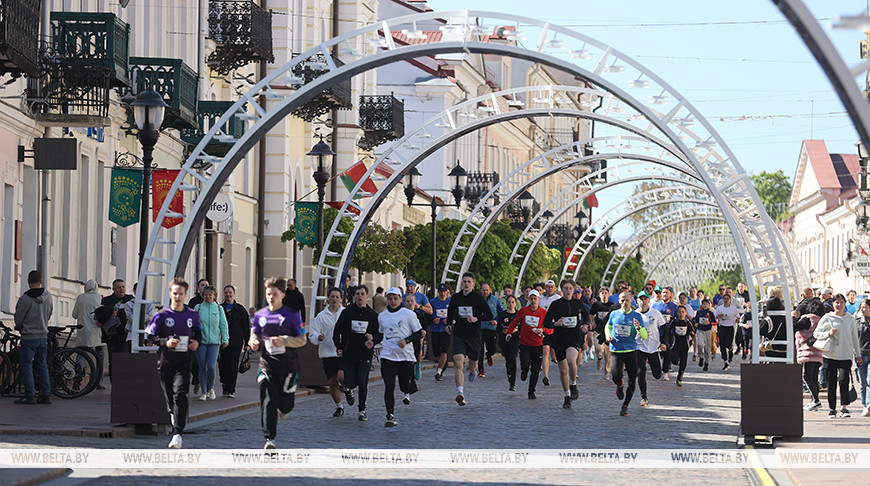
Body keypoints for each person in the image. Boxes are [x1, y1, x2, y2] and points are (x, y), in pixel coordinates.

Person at [250, 277, 307, 449]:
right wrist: (253, 342)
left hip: (288, 365)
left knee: (285, 404)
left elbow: (302, 339)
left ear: (282, 295)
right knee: (267, 400)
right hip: (267, 364)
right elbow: (254, 334)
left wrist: (284, 340)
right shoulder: (260, 315)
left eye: (274, 294)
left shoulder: (292, 315)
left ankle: (284, 409)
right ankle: (270, 439)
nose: (271, 297)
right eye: (268, 294)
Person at [145, 277, 201, 448]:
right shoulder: (162, 316)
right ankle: (172, 413)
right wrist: (165, 343)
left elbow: (198, 333)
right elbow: (149, 336)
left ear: (185, 295)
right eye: (175, 293)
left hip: (184, 362)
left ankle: (177, 434)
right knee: (170, 397)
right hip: (166, 363)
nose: (177, 297)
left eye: (181, 294)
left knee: (180, 394)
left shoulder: (192, 315)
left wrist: (196, 342)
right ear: (170, 294)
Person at [334, 285, 381, 421]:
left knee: (362, 379)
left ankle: (362, 409)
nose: (360, 296)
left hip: (365, 354)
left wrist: (373, 339)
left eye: (362, 294)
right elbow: (337, 331)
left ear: (367, 296)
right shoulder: (347, 313)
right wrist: (339, 346)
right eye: (357, 294)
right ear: (354, 296)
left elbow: (379, 333)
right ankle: (348, 390)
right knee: (349, 381)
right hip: (349, 353)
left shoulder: (372, 315)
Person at [445, 272, 494, 406]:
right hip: (459, 334)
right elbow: (450, 312)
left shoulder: (478, 298)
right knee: (458, 362)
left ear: (473, 284)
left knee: (473, 364)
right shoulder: (456, 297)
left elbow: (489, 315)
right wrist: (449, 324)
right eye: (464, 281)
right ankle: (460, 393)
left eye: (468, 282)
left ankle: (473, 370)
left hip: (474, 335)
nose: (466, 284)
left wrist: (476, 318)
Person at [814, 293, 863, 419]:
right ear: (833, 304)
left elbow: (854, 338)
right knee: (831, 383)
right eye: (837, 302)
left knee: (843, 380)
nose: (839, 305)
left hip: (846, 355)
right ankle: (832, 409)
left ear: (845, 304)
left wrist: (858, 354)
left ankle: (844, 407)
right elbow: (816, 333)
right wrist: (828, 333)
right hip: (830, 355)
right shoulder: (827, 317)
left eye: (841, 302)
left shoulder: (850, 319)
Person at [379, 287, 422, 427]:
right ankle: (390, 416)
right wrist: (371, 341)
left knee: (405, 386)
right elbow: (380, 334)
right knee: (389, 386)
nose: (392, 301)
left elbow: (418, 333)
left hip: (405, 357)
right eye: (390, 299)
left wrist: (406, 341)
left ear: (400, 299)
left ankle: (408, 390)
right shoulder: (382, 316)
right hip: (387, 356)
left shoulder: (408, 314)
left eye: (395, 298)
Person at [543, 279, 589, 408]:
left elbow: (586, 317)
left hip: (574, 337)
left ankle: (573, 384)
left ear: (573, 289)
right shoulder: (555, 304)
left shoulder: (578, 303)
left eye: (570, 288)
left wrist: (586, 325)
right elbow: (546, 322)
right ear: (561, 290)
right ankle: (566, 395)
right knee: (563, 371)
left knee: (571, 360)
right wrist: (555, 324)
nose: (568, 291)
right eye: (565, 288)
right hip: (559, 339)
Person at [605, 291, 648, 416]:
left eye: (627, 300)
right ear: (619, 301)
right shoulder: (614, 314)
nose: (624, 303)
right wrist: (608, 336)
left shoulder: (636, 316)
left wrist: (639, 328)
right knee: (615, 375)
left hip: (631, 351)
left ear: (631, 301)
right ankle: (619, 384)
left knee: (632, 381)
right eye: (622, 300)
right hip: (616, 349)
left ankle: (625, 405)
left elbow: (644, 336)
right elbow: (608, 326)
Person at [13, 270, 53, 405]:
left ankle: (29, 395)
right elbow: (49, 313)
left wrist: (20, 326)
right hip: (43, 335)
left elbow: (19, 317)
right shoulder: (48, 297)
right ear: (40, 281)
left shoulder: (25, 298)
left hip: (29, 336)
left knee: (26, 364)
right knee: (42, 364)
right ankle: (45, 394)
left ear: (28, 282)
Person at [505, 290, 550, 399]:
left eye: (535, 299)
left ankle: (531, 391)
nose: (533, 301)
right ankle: (524, 372)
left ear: (539, 299)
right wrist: (509, 333)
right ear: (528, 299)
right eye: (531, 298)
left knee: (535, 370)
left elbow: (551, 329)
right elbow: (514, 322)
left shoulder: (544, 313)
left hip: (538, 345)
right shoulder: (523, 311)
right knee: (525, 365)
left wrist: (543, 330)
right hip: (525, 344)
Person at [310, 287, 347, 417]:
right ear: (328, 299)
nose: (334, 299)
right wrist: (318, 337)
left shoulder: (345, 313)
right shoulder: (321, 316)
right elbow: (313, 333)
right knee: (332, 382)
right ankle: (339, 406)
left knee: (342, 377)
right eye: (332, 297)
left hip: (342, 351)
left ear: (341, 299)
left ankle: (347, 389)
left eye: (337, 297)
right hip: (327, 352)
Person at [193, 286, 229, 401]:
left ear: (214, 296)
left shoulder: (219, 309)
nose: (208, 296)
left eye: (210, 295)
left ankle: (211, 388)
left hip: (214, 342)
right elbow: (193, 324)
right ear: (202, 295)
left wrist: (225, 339)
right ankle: (204, 392)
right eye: (205, 294)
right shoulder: (198, 308)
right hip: (201, 342)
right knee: (202, 366)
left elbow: (223, 325)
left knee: (212, 367)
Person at [72, 279, 105, 390]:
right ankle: (99, 381)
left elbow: (74, 315)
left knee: (80, 354)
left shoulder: (81, 298)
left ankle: (77, 378)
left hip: (83, 331)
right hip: (97, 331)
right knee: (99, 356)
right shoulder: (99, 297)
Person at [795, 298, 826, 411]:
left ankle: (816, 400)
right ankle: (814, 401)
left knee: (806, 377)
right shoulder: (822, 320)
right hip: (818, 352)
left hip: (808, 352)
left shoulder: (807, 320)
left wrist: (794, 316)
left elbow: (794, 327)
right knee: (813, 377)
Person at [219, 285, 250, 398]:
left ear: (234, 294)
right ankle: (225, 383)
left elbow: (246, 327)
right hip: (222, 341)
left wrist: (247, 343)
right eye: (226, 292)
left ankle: (231, 389)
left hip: (236, 341)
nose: (228, 295)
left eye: (230, 292)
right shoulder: (219, 308)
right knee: (223, 364)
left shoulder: (240, 310)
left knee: (233, 365)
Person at [635, 291, 664, 407]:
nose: (643, 302)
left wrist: (664, 342)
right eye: (640, 299)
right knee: (641, 371)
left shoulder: (655, 313)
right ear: (637, 301)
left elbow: (664, 328)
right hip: (639, 346)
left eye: (645, 299)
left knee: (657, 374)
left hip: (653, 347)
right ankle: (644, 397)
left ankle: (657, 369)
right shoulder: (634, 314)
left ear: (648, 300)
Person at [404, 279, 432, 381]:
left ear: (415, 287)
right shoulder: (403, 297)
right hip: (406, 326)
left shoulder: (422, 297)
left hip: (419, 323)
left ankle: (418, 365)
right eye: (407, 286)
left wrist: (420, 307)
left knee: (418, 347)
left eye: (411, 286)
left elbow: (430, 310)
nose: (409, 288)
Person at [590, 287, 617, 379]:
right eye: (602, 293)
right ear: (599, 295)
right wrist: (592, 322)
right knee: (598, 348)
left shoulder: (612, 306)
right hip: (598, 330)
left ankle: (607, 372)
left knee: (607, 354)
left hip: (608, 331)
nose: (604, 295)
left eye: (606, 293)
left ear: (609, 295)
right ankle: (599, 358)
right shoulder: (596, 305)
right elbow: (591, 315)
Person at [652, 286, 678, 380]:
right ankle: (657, 369)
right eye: (663, 292)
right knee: (657, 352)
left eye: (667, 292)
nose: (664, 294)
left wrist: (673, 320)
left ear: (670, 294)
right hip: (657, 332)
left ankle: (665, 371)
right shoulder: (655, 305)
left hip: (668, 333)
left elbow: (678, 319)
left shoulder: (674, 307)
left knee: (667, 352)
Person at [478, 282, 501, 378]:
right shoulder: (477, 299)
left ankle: (489, 354)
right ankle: (481, 369)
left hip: (491, 327)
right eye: (483, 290)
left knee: (492, 348)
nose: (485, 292)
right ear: (481, 290)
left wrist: (496, 321)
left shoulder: (495, 300)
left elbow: (500, 313)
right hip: (479, 327)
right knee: (479, 349)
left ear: (490, 290)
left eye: (487, 290)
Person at [497, 294, 520, 391]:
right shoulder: (503, 314)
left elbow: (521, 327)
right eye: (509, 302)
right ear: (506, 303)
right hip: (504, 337)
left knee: (512, 357)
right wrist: (503, 323)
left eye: (512, 302)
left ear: (515, 303)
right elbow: (498, 328)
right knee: (507, 358)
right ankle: (509, 374)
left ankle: (513, 383)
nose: (510, 304)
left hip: (514, 337)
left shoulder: (518, 314)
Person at [429, 283, 452, 381]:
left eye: (444, 291)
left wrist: (449, 320)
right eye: (441, 292)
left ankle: (439, 372)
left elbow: (455, 314)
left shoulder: (450, 302)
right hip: (435, 330)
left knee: (444, 350)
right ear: (438, 292)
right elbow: (429, 314)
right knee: (436, 352)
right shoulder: (433, 302)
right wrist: (433, 319)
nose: (442, 294)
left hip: (445, 330)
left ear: (447, 291)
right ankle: (443, 364)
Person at [671, 305, 695, 386]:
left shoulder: (687, 322)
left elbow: (692, 332)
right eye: (679, 312)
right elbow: (669, 332)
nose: (681, 314)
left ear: (685, 313)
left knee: (683, 363)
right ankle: (675, 361)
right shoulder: (674, 322)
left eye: (683, 312)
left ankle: (679, 378)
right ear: (677, 313)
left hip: (684, 345)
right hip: (675, 344)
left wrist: (691, 336)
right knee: (674, 360)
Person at [715, 293, 739, 370]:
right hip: (722, 327)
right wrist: (719, 316)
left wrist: (737, 320)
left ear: (730, 300)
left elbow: (738, 316)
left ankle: (731, 352)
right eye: (724, 298)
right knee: (722, 345)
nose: (726, 300)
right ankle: (725, 361)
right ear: (723, 300)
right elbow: (715, 317)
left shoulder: (733, 308)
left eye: (727, 299)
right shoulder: (719, 308)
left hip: (730, 327)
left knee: (728, 343)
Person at [694, 298, 716, 371]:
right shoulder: (699, 312)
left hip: (708, 331)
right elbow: (696, 319)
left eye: (707, 304)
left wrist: (710, 323)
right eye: (704, 304)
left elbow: (715, 322)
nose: (705, 305)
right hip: (700, 330)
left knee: (707, 348)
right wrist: (696, 323)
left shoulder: (710, 313)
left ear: (709, 305)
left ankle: (707, 363)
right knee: (700, 344)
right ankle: (701, 357)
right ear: (702, 305)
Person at [856, 299, 870, 417]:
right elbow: (854, 339)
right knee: (862, 382)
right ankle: (864, 405)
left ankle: (868, 404)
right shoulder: (858, 322)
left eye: (865, 307)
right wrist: (856, 354)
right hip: (861, 355)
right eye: (861, 307)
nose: (863, 309)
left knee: (869, 380)